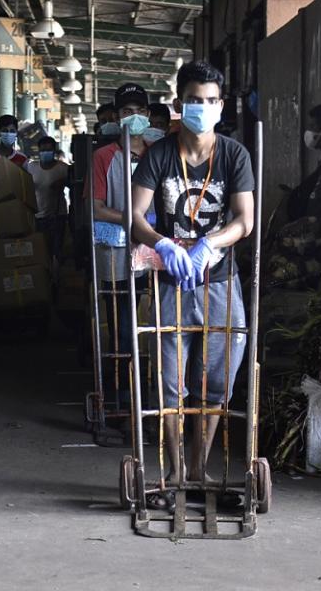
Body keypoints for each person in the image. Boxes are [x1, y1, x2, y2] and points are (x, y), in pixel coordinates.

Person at [131, 61, 255, 499]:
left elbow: (245, 220)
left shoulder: (234, 155)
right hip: (171, 283)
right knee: (169, 383)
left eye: (210, 100)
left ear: (221, 106)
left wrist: (210, 244)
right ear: (179, 105)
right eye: (193, 100)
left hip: (220, 282)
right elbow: (134, 215)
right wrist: (163, 244)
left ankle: (200, 472)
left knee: (218, 382)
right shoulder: (159, 155)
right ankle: (175, 473)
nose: (202, 108)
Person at [90, 83, 152, 411]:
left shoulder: (159, 152)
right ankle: (122, 396)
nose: (133, 117)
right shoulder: (104, 157)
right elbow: (97, 207)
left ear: (148, 115)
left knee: (154, 323)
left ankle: (154, 392)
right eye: (126, 112)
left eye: (139, 111)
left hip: (156, 253)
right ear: (116, 116)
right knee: (121, 326)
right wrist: (135, 221)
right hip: (115, 253)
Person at [25, 135, 69, 268]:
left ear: (54, 151)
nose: (45, 153)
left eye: (48, 150)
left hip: (57, 215)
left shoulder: (63, 168)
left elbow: (74, 186)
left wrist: (64, 182)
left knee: (57, 249)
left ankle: (56, 276)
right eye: (42, 150)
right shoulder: (31, 167)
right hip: (38, 216)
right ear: (38, 151)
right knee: (41, 249)